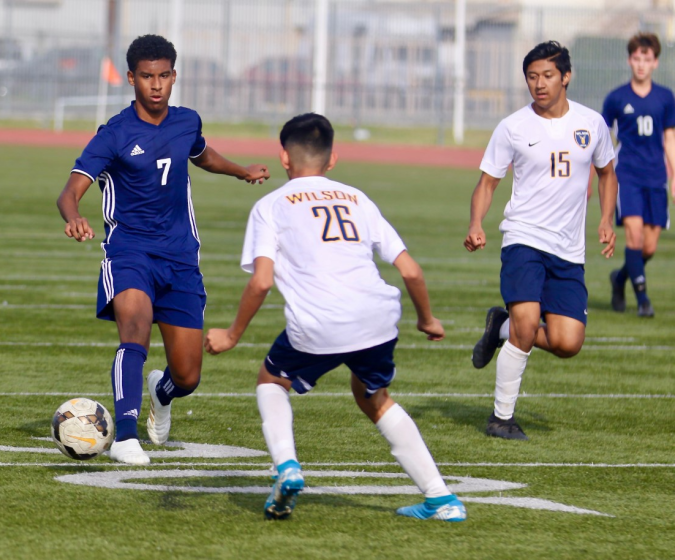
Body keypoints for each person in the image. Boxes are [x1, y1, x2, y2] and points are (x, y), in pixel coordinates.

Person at [204, 113, 466, 522]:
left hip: (320, 322)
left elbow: (261, 282)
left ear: (284, 158)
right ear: (332, 160)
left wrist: (232, 335)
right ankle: (441, 499)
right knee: (374, 397)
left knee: (272, 380)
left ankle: (287, 468)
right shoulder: (357, 198)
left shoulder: (270, 205)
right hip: (378, 316)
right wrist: (427, 320)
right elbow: (411, 270)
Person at [56, 34, 270, 465]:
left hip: (180, 258)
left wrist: (241, 171)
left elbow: (202, 155)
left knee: (188, 376)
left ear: (174, 76)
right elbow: (70, 190)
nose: (156, 85)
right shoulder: (114, 134)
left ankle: (162, 391)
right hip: (129, 252)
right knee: (133, 329)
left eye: (164, 76)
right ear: (132, 78)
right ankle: (126, 437)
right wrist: (74, 216)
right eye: (147, 77)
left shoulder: (186, 121)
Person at [464, 41, 618, 440]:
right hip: (523, 239)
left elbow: (607, 173)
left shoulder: (592, 124)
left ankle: (500, 326)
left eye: (547, 75)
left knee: (568, 343)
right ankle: (501, 418)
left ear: (566, 77)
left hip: (569, 250)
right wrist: (476, 222)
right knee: (528, 324)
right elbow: (486, 183)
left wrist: (605, 218)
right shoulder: (512, 127)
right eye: (532, 76)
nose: (539, 84)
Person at [603, 32, 675, 318]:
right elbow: (603, 137)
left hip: (656, 177)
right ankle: (643, 300)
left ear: (656, 62)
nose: (641, 64)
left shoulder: (666, 98)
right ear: (629, 60)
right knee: (633, 237)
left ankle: (619, 279)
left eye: (647, 59)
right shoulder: (617, 98)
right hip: (627, 176)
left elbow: (669, 139)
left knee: (649, 246)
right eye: (636, 58)